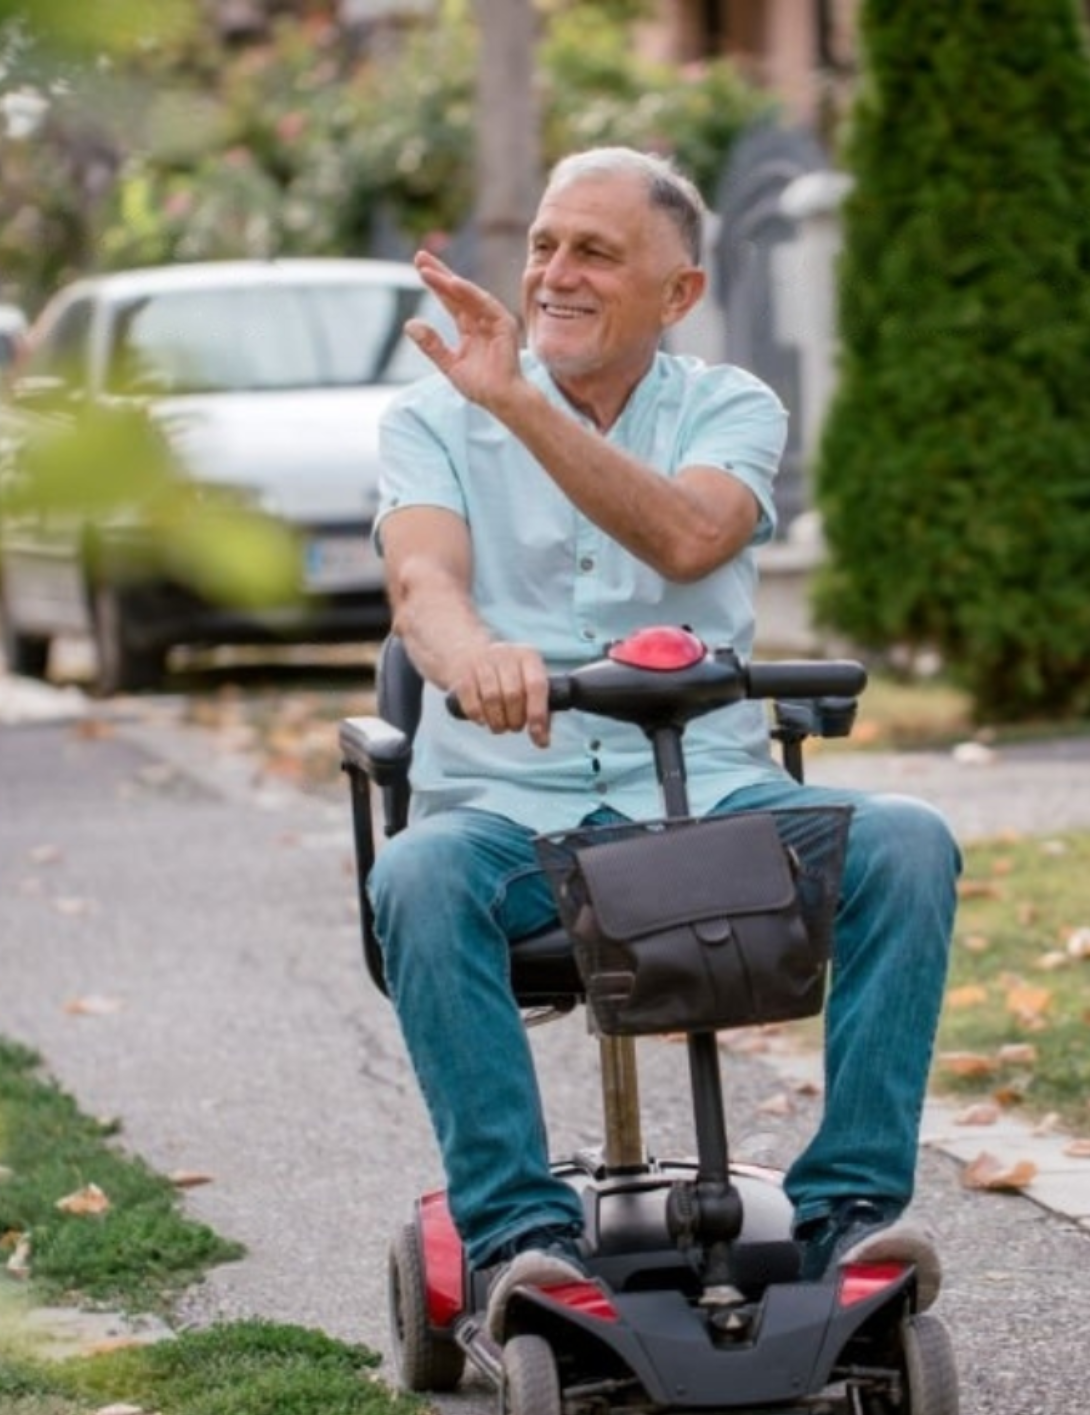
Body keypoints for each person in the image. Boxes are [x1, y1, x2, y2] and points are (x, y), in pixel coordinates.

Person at [368, 146, 959, 1341]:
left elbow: (693, 537)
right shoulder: (430, 417)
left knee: (909, 844)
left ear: (678, 294)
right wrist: (469, 650)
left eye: (595, 251)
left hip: (711, 809)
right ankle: (520, 1240)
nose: (554, 274)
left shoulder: (732, 405)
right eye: (544, 244)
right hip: (507, 819)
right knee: (417, 873)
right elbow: (422, 583)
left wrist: (522, 405)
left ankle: (849, 1214)